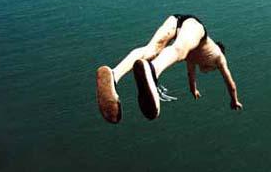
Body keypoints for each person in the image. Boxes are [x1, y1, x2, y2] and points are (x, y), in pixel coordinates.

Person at [96, 15, 242, 124]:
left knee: (151, 50)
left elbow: (191, 74)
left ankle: (114, 74)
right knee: (179, 50)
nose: (208, 71)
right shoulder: (219, 58)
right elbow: (231, 84)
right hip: (195, 27)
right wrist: (234, 100)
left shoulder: (194, 58)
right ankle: (152, 70)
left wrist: (193, 90)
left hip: (176, 20)